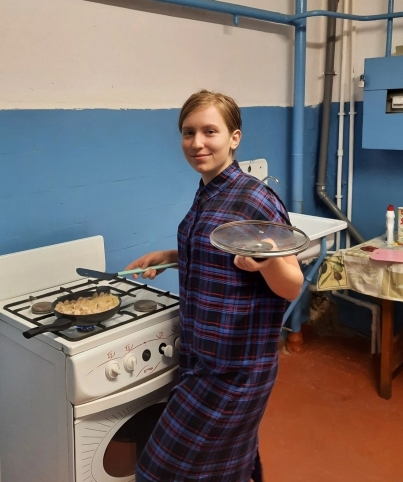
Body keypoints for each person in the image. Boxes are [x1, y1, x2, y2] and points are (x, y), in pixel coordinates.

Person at [125, 90, 304, 482]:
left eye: (210, 131)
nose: (197, 143)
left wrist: (266, 262)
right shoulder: (208, 191)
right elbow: (218, 252)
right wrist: (170, 255)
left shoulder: (255, 199)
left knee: (157, 472)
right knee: (225, 468)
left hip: (235, 369)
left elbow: (293, 285)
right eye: (188, 132)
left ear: (234, 138)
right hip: (200, 360)